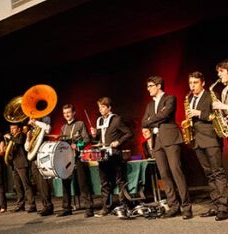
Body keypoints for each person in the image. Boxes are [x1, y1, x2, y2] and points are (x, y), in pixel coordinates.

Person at [142, 76, 192, 219]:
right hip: (157, 142)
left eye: (150, 86)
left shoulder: (170, 99)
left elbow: (166, 114)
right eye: (148, 86)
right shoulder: (149, 105)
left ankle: (186, 207)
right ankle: (173, 206)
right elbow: (144, 122)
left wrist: (152, 119)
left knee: (176, 171)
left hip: (170, 139)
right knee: (164, 174)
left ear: (158, 86)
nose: (148, 89)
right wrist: (152, 120)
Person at [188, 71, 228, 221]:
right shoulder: (190, 98)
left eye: (195, 83)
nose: (192, 86)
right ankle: (216, 204)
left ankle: (224, 207)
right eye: (190, 83)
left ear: (202, 83)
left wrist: (199, 113)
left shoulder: (210, 95)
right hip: (198, 141)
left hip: (211, 139)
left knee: (218, 173)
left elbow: (215, 115)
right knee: (209, 174)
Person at [90, 97, 132, 217]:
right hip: (103, 155)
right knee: (104, 182)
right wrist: (94, 135)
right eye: (99, 107)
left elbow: (129, 133)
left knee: (119, 181)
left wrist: (118, 142)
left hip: (114, 154)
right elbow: (97, 140)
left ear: (109, 108)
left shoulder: (116, 119)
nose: (100, 109)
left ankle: (124, 205)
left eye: (103, 107)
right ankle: (106, 207)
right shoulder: (99, 121)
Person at [58, 104, 94, 218]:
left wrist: (78, 145)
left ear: (74, 112)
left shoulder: (80, 124)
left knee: (83, 183)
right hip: (66, 159)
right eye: (64, 113)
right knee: (65, 183)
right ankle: (66, 208)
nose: (67, 115)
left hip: (78, 157)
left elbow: (87, 139)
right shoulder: (63, 127)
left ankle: (89, 208)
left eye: (68, 112)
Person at [24, 117, 54, 216]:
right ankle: (45, 205)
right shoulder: (31, 131)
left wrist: (36, 122)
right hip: (34, 159)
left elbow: (48, 128)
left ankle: (49, 206)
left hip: (42, 157)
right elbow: (27, 148)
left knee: (43, 183)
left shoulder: (42, 127)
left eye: (32, 119)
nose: (30, 121)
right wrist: (28, 139)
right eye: (30, 119)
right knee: (38, 184)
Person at [4, 123, 36, 213]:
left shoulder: (21, 135)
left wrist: (10, 138)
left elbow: (20, 142)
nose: (11, 130)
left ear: (18, 129)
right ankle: (20, 205)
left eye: (14, 128)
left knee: (26, 185)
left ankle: (32, 205)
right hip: (14, 165)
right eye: (11, 128)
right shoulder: (12, 138)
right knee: (18, 186)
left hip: (22, 164)